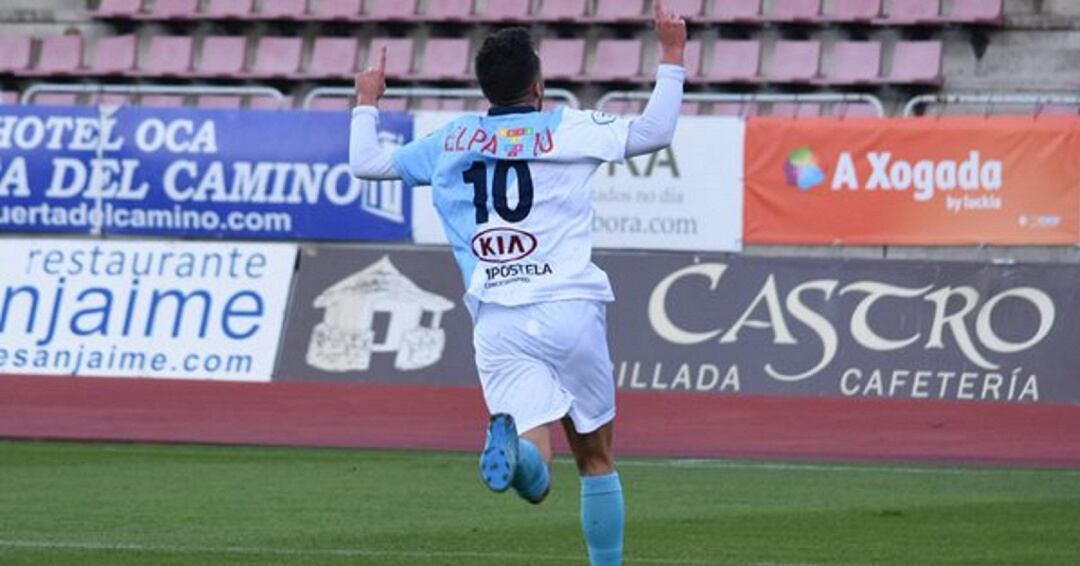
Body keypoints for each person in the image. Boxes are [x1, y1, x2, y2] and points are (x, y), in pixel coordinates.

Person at [349, 2, 686, 563]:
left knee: (538, 474)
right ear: (539, 84)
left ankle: (520, 458)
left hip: (498, 318)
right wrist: (672, 55)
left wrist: (366, 102)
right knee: (595, 459)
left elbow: (366, 164)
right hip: (569, 305)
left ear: (486, 88)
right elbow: (655, 130)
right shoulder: (570, 127)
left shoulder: (453, 139)